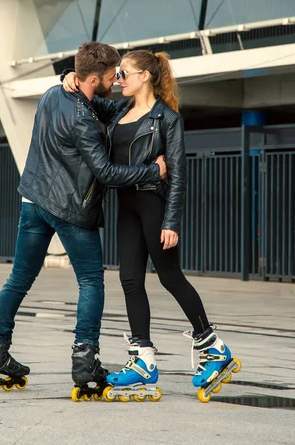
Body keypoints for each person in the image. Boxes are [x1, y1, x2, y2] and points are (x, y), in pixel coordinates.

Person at [0, 42, 167, 394]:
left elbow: (110, 105)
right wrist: (151, 172)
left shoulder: (53, 93)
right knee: (91, 282)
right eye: (113, 76)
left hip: (33, 201)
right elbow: (107, 172)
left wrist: (71, 77)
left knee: (19, 280)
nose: (117, 80)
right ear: (93, 78)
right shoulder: (85, 120)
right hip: (71, 210)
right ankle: (85, 361)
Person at [63, 49, 239, 401]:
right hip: (126, 206)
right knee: (129, 279)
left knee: (171, 277)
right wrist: (68, 76)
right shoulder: (119, 112)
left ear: (145, 76)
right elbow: (87, 95)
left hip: (153, 205)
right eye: (118, 74)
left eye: (125, 73)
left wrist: (171, 220)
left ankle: (215, 348)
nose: (118, 79)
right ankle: (142, 358)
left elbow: (177, 175)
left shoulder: (168, 119)